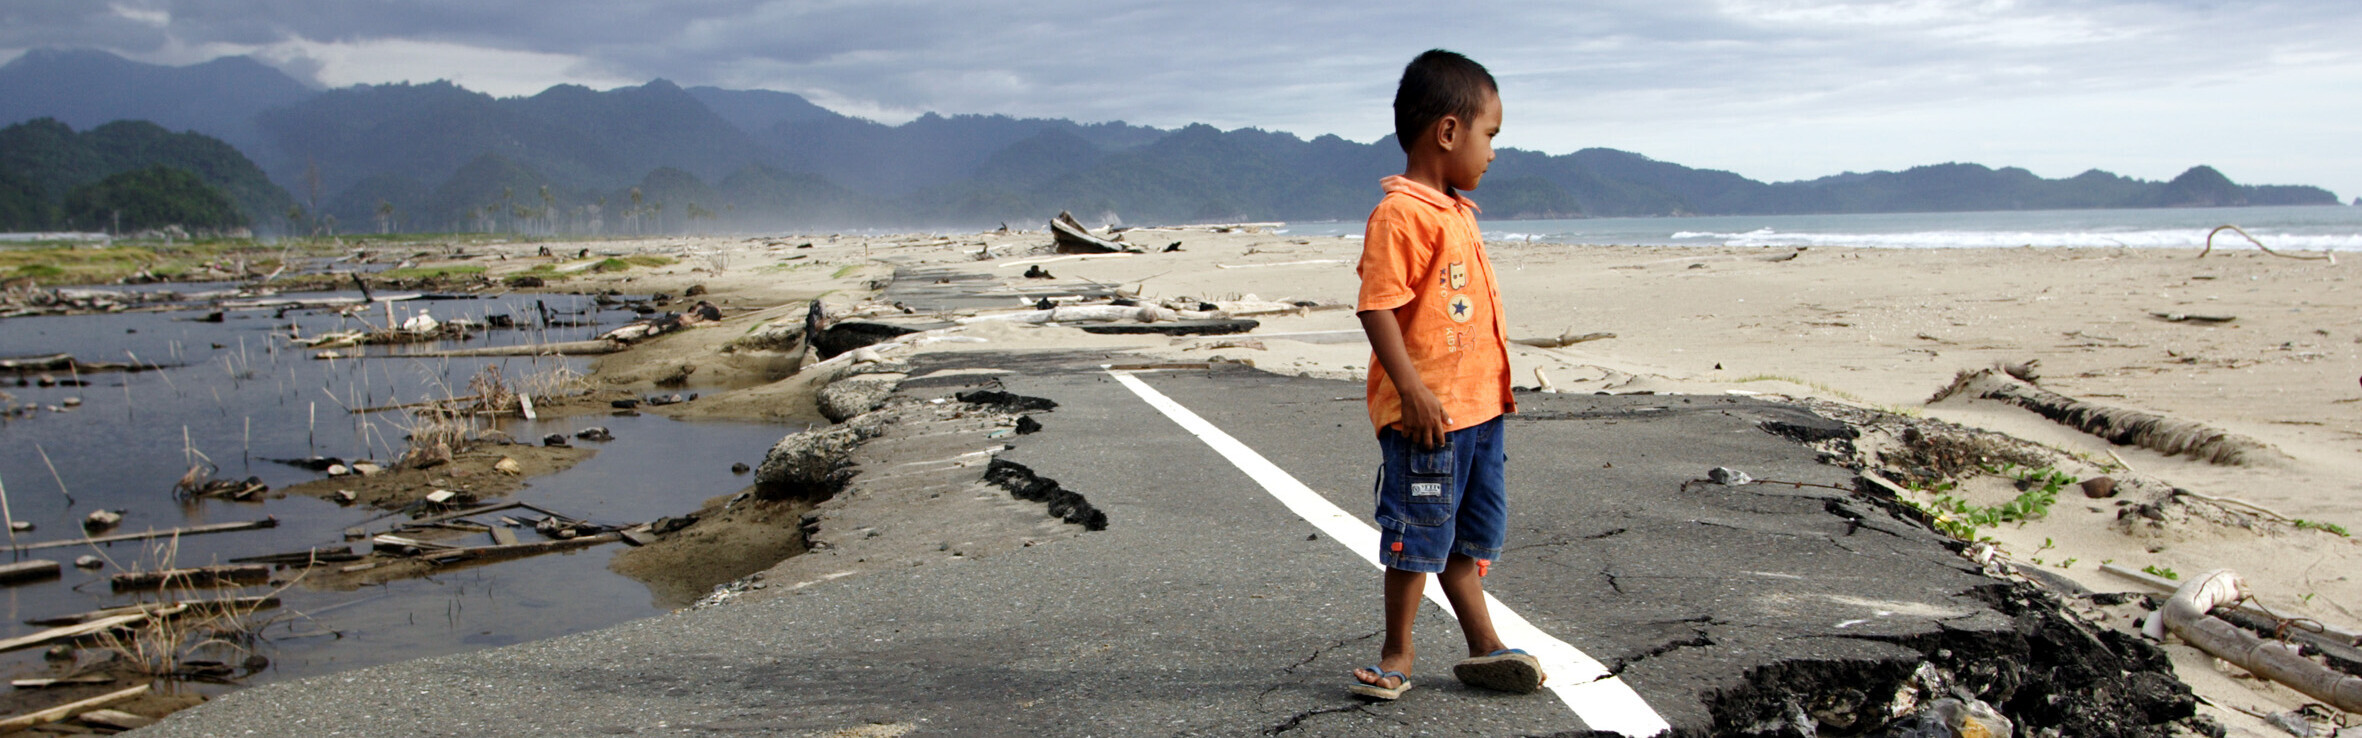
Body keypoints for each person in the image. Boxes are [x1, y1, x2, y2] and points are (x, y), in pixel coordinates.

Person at [1347, 49, 1544, 700]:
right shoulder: (1400, 214)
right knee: (1416, 536)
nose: (1493, 151)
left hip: (1480, 412)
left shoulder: (1456, 212)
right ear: (1449, 133)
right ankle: (1396, 652)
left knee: (1468, 538)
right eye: (1490, 135)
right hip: (1429, 417)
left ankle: (1485, 646)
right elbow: (1378, 306)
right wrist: (1411, 391)